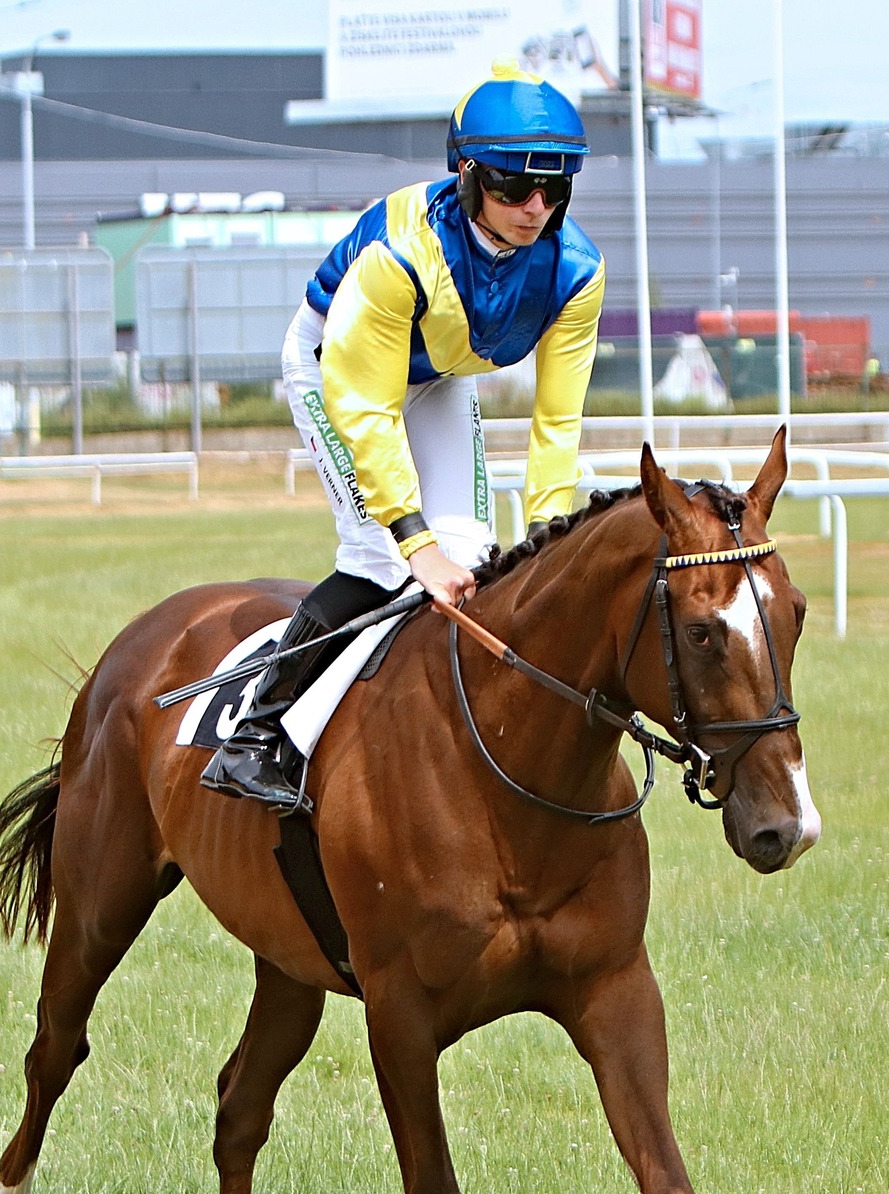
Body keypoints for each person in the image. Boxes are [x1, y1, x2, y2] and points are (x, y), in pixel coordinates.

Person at [201, 65, 606, 810]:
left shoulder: (577, 273)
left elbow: (558, 423)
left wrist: (553, 534)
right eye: (514, 188)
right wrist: (417, 543)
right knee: (384, 554)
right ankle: (258, 736)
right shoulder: (400, 255)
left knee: (480, 561)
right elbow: (366, 408)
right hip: (340, 370)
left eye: (555, 190)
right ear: (467, 174)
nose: (536, 208)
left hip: (441, 372)